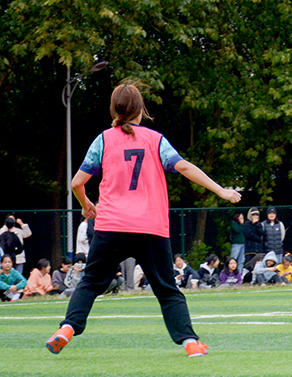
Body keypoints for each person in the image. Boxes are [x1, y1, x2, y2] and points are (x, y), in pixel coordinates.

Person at [46, 83, 241, 358]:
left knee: (89, 283)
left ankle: (67, 328)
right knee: (167, 290)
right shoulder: (155, 140)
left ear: (114, 111)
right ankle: (190, 343)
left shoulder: (103, 140)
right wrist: (220, 190)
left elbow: (77, 183)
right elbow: (183, 166)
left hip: (111, 226)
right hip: (150, 227)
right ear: (140, 110)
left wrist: (86, 204)